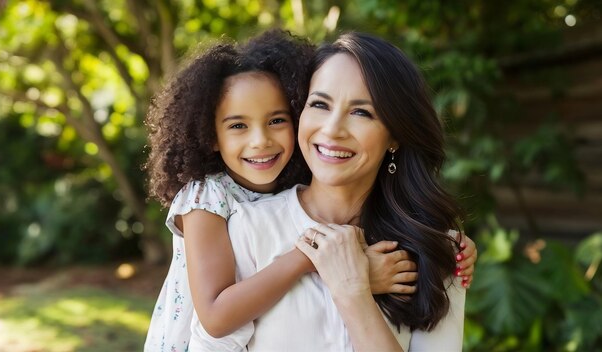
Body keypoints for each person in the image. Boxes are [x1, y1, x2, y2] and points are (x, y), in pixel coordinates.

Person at [143, 30, 475, 352]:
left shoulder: (435, 252)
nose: (332, 130)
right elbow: (216, 322)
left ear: (395, 134)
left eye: (361, 112)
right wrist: (325, 263)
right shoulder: (238, 223)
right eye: (320, 104)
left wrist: (353, 291)